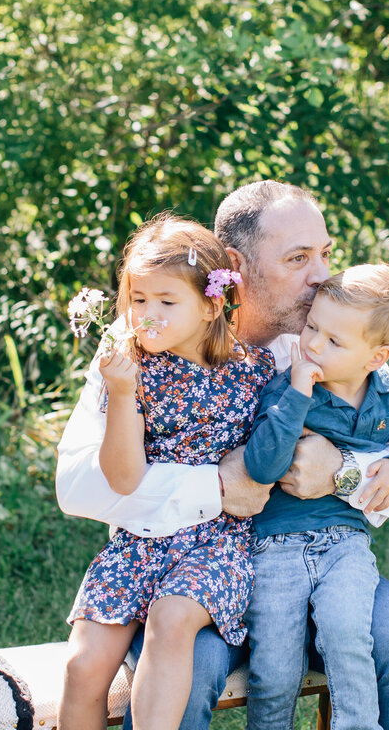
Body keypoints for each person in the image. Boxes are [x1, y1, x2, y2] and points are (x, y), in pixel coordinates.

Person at [56, 180, 389, 730]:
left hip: (321, 567)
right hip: (193, 572)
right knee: (190, 664)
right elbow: (74, 485)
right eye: (298, 258)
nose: (321, 276)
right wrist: (219, 486)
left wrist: (343, 473)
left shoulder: (324, 335)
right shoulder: (152, 333)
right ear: (235, 267)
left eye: (325, 254)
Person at [59, 215, 275, 730]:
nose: (147, 315)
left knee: (171, 619)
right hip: (141, 538)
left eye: (165, 301)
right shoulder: (132, 369)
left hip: (216, 543)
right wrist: (121, 393)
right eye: (137, 300)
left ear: (211, 304)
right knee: (83, 665)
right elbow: (124, 478)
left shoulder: (255, 370)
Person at [243, 264, 389, 729]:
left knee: (347, 639)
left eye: (334, 341)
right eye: (312, 327)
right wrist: (296, 394)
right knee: (275, 671)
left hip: (345, 544)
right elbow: (262, 466)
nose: (313, 345)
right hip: (275, 546)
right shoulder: (285, 388)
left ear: (376, 358)